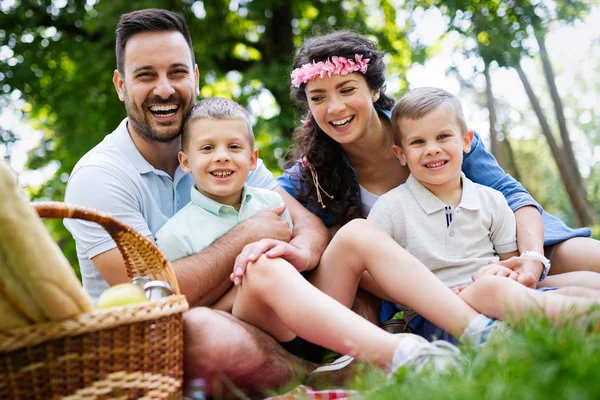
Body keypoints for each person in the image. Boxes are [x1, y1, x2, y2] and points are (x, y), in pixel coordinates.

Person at [63, 9, 330, 397]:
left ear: (196, 77)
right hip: (155, 347)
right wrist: (249, 235)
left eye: (176, 72)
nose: (165, 89)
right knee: (199, 331)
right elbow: (156, 299)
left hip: (256, 313)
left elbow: (308, 226)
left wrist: (299, 254)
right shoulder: (99, 177)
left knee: (346, 248)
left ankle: (366, 357)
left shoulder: (219, 148)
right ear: (121, 85)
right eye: (145, 75)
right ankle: (319, 376)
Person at [277, 30, 600, 336]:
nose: (335, 107)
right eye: (318, 97)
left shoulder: (430, 127)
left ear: (374, 90)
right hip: (436, 280)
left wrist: (530, 257)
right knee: (504, 292)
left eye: (347, 89)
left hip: (510, 244)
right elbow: (263, 195)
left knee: (588, 262)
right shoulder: (314, 173)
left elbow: (513, 196)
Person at [155, 96, 466, 374]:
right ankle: (403, 354)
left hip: (315, 315)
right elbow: (186, 317)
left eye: (234, 147)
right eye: (208, 148)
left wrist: (297, 254)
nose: (222, 156)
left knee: (356, 231)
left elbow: (307, 242)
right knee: (263, 266)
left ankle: (476, 326)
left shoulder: (271, 202)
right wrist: (245, 279)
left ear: (252, 160)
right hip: (261, 333)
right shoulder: (175, 234)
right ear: (185, 162)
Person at [365, 87, 600, 339]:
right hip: (443, 312)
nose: (432, 149)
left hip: (497, 290)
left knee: (586, 280)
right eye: (418, 142)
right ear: (400, 154)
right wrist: (422, 294)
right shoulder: (391, 207)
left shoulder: (491, 200)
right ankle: (577, 318)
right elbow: (368, 269)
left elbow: (511, 262)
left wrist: (505, 272)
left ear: (466, 141)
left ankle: (578, 313)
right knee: (490, 289)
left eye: (443, 136)